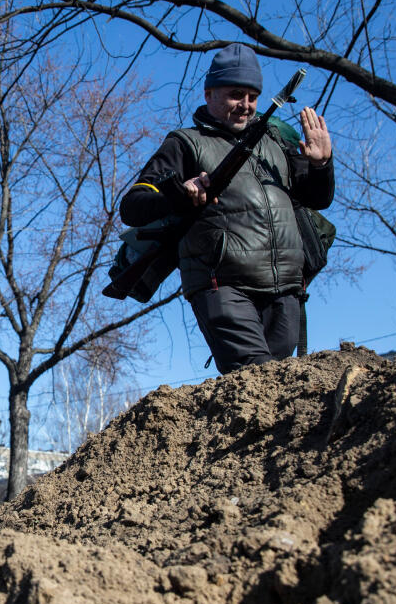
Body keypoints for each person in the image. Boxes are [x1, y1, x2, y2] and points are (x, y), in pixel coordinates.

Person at [120, 43, 334, 374]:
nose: (245, 105)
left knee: (277, 387)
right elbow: (132, 207)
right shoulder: (184, 143)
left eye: (252, 96)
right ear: (209, 94)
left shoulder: (276, 141)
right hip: (222, 286)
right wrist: (180, 193)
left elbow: (317, 199)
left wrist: (321, 165)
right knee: (257, 378)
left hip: (286, 290)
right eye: (236, 94)